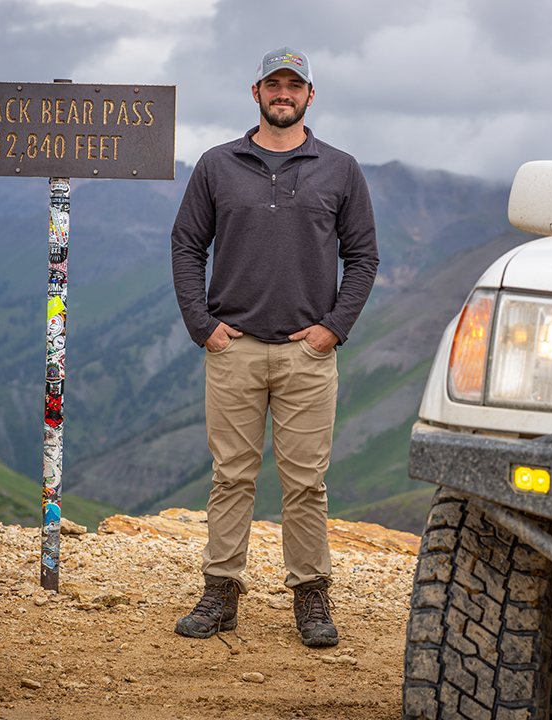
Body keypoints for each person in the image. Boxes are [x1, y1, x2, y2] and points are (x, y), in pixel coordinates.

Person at [170, 46, 379, 647]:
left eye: (294, 85)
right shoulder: (217, 165)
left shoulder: (340, 169)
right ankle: (221, 592)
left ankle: (311, 595)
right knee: (231, 476)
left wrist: (333, 328)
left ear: (310, 95)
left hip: (307, 354)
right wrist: (202, 325)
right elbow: (187, 245)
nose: (283, 93)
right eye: (273, 84)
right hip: (232, 349)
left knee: (306, 484)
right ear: (256, 92)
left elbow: (363, 256)